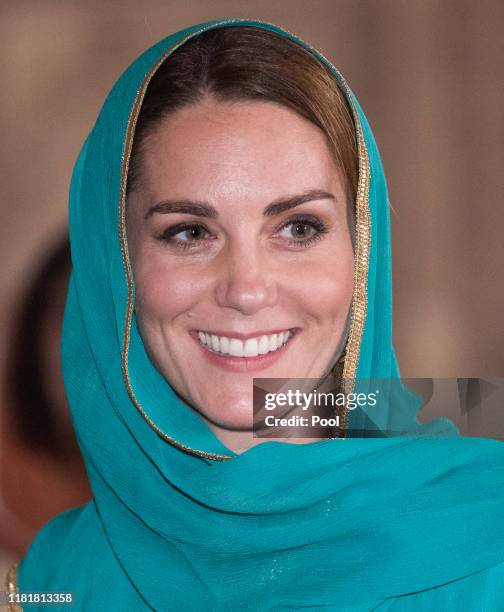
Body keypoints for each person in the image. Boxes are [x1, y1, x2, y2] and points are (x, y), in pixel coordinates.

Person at [7, 18, 504, 611]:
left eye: (298, 228)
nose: (246, 289)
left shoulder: (487, 543)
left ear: (363, 252)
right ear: (117, 267)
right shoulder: (56, 578)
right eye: (190, 232)